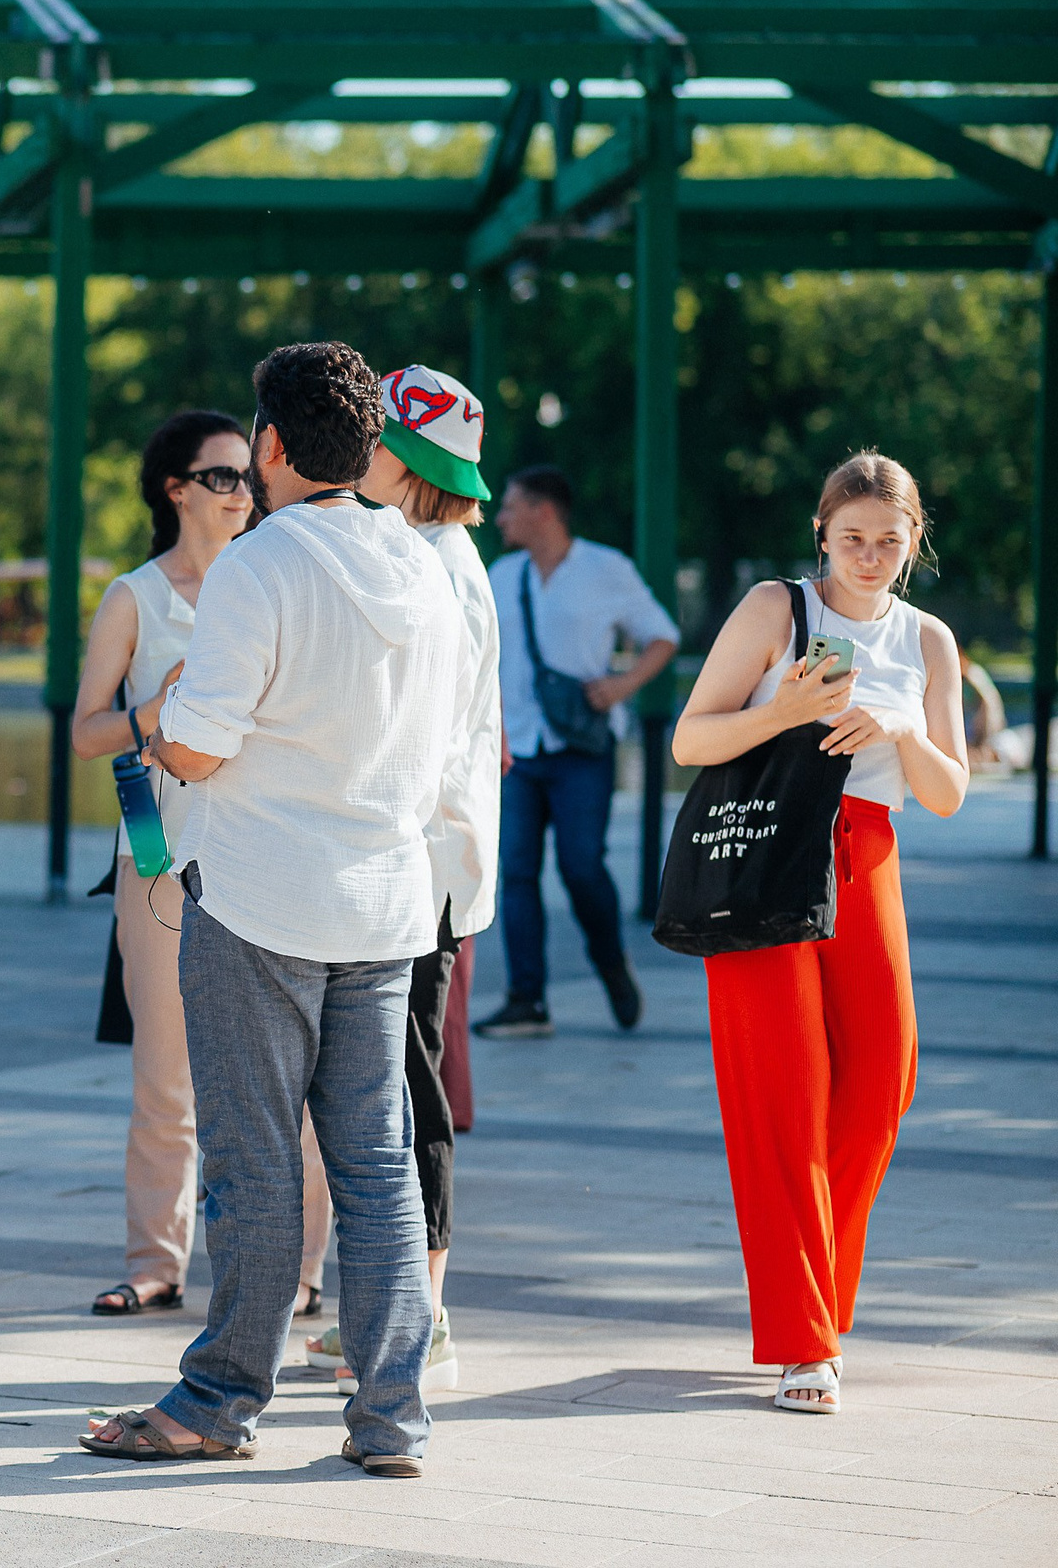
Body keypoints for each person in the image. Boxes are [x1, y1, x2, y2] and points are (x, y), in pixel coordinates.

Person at [80, 340, 459, 1478]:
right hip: (387, 900)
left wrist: (169, 718)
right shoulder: (423, 566)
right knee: (375, 1161)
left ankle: (217, 1398)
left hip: (259, 899)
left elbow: (194, 745)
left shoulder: (260, 563)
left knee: (247, 1158)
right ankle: (391, 1417)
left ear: (275, 447)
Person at [671, 451, 966, 1415]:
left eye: (890, 539)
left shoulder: (929, 641)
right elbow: (690, 738)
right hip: (769, 854)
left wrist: (902, 731)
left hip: (867, 858)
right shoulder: (775, 608)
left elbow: (948, 795)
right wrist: (788, 709)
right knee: (782, 1092)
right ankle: (806, 1341)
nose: (871, 556)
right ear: (821, 533)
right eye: (853, 538)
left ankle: (819, 1306)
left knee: (882, 1082)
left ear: (913, 539)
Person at [307, 365, 503, 1397]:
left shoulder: (431, 561)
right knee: (376, 1084)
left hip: (418, 865)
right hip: (414, 860)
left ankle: (421, 1314)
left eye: (373, 439)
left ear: (404, 460)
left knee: (405, 1090)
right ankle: (378, 1308)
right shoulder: (427, 550)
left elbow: (427, 735)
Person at [67, 410, 253, 1317]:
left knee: (286, 1080)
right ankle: (155, 1259)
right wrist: (158, 710)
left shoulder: (272, 583)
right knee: (165, 1069)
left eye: (250, 476)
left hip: (265, 850)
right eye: (222, 476)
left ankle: (289, 1273)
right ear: (176, 488)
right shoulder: (134, 597)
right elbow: (84, 730)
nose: (242, 493)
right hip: (157, 851)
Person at [476, 465, 679, 1039]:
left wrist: (622, 684)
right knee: (515, 872)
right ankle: (527, 1000)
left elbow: (662, 635)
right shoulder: (502, 574)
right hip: (516, 747)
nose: (504, 515)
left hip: (582, 747)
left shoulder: (605, 568)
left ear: (545, 511)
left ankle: (611, 963)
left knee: (581, 865)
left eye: (513, 505)